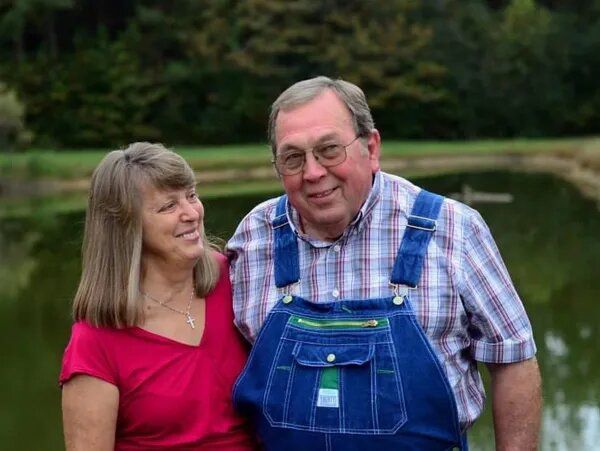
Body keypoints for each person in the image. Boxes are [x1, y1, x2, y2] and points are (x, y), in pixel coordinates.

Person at [227, 76, 542, 450]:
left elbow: (514, 359)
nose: (312, 173)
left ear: (371, 147)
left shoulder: (453, 230)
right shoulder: (254, 236)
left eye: (329, 150)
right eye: (293, 158)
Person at [60, 142, 257, 450]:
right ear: (126, 227)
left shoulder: (235, 279)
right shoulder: (95, 341)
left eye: (191, 196)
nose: (192, 213)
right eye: (168, 206)